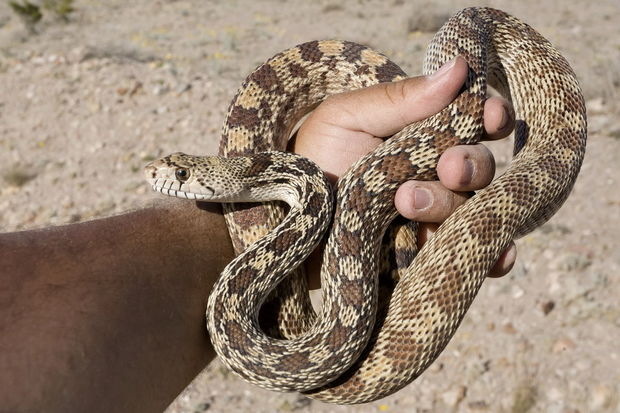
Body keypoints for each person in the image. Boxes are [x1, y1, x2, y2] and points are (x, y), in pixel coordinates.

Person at [0, 57, 516, 413]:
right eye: (180, 174)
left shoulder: (308, 188)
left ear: (230, 178)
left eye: (183, 176)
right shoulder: (289, 192)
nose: (166, 177)